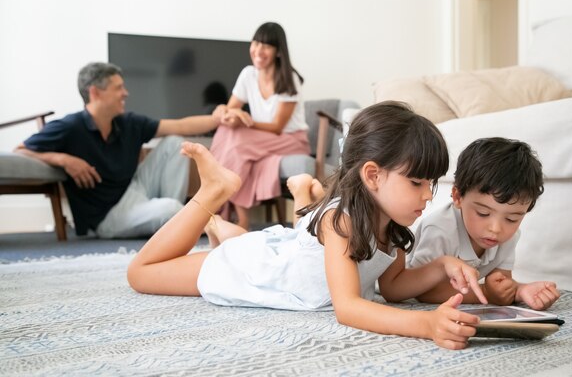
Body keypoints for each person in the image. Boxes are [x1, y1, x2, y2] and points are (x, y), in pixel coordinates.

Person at [127, 102, 490, 351]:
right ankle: (212, 192)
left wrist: (441, 265)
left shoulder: (393, 227)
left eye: (432, 183)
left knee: (256, 241)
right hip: (256, 271)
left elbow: (393, 288)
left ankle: (220, 227)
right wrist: (425, 326)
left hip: (283, 258)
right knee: (140, 274)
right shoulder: (341, 222)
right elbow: (347, 308)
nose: (428, 195)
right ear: (373, 176)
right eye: (417, 183)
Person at [15, 62, 222, 238]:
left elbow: (181, 126)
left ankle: (175, 225)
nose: (126, 93)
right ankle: (178, 219)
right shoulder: (69, 127)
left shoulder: (128, 123)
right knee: (169, 208)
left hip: (135, 189)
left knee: (176, 142)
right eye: (118, 88)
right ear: (95, 92)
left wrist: (219, 118)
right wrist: (64, 160)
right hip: (108, 216)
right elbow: (20, 150)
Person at [407, 137, 561, 310]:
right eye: (483, 213)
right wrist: (486, 293)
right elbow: (422, 292)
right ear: (458, 197)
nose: (496, 229)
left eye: (512, 219)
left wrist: (520, 291)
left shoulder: (509, 236)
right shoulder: (440, 230)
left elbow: (500, 282)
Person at [209, 22, 310, 230]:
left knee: (238, 143)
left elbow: (277, 126)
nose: (258, 50)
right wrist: (227, 113)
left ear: (278, 52)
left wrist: (245, 119)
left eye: (266, 46)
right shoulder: (248, 74)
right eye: (255, 43)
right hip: (261, 138)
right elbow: (231, 109)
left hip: (290, 139)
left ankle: (228, 208)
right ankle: (228, 207)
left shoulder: (289, 78)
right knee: (227, 130)